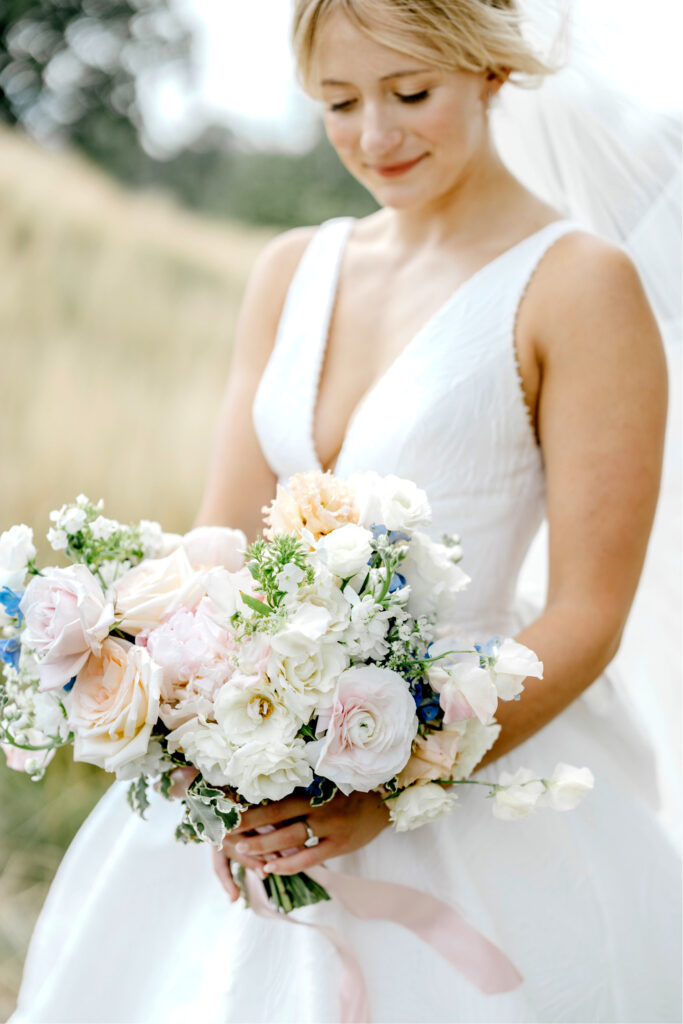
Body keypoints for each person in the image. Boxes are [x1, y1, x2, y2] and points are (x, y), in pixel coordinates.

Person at [11, 1, 681, 1022]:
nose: (374, 135)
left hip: (479, 772)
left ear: (489, 74)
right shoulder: (291, 270)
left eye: (410, 94)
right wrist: (170, 688)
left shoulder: (578, 284)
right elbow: (222, 536)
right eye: (338, 102)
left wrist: (390, 777)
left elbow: (589, 613)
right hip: (261, 774)